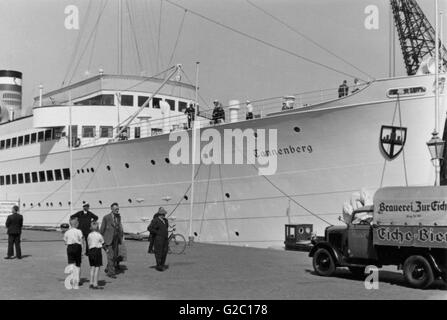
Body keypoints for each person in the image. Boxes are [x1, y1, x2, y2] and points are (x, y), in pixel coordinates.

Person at [100, 202, 123, 278]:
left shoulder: (118, 217)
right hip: (108, 240)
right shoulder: (106, 217)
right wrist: (101, 241)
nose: (117, 210)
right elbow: (102, 229)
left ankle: (108, 268)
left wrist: (121, 237)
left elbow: (119, 227)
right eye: (116, 209)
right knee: (110, 256)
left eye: (118, 209)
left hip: (116, 240)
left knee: (114, 256)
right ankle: (111, 273)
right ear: (112, 209)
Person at [63, 217, 83, 289]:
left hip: (70, 247)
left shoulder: (67, 232)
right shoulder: (79, 231)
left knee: (71, 264)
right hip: (77, 247)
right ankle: (77, 280)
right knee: (78, 264)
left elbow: (65, 242)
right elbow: (81, 240)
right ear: (77, 224)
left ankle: (72, 279)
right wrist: (82, 250)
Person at [148, 207, 169, 271]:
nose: (164, 215)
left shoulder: (165, 220)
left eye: (164, 214)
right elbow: (149, 228)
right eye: (162, 214)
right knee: (159, 252)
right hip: (158, 239)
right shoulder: (155, 220)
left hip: (165, 239)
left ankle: (162, 264)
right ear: (159, 214)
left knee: (164, 252)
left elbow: (166, 227)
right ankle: (159, 265)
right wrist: (157, 232)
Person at [87, 221, 104, 290]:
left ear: (91, 227)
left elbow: (88, 243)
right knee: (97, 268)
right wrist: (107, 250)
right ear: (97, 227)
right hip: (97, 251)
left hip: (91, 251)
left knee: (92, 267)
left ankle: (91, 282)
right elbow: (103, 242)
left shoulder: (89, 235)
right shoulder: (99, 235)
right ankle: (95, 283)